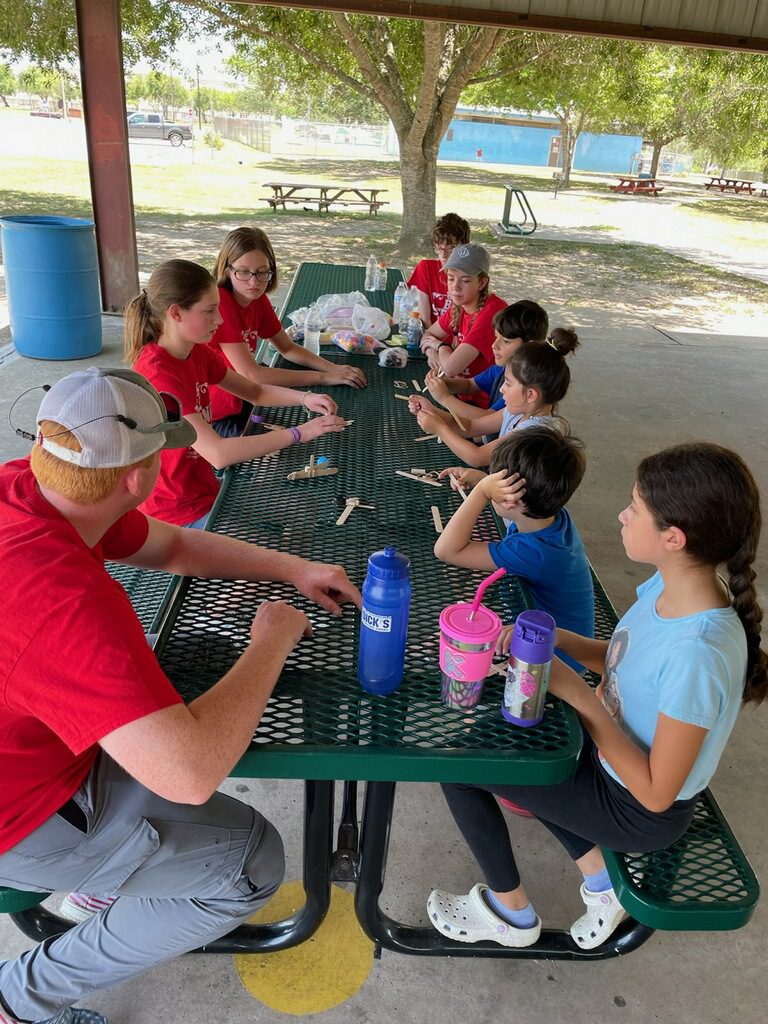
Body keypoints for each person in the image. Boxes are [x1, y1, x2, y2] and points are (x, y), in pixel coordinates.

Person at [0, 367, 362, 1024]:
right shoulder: (62, 601)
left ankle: (113, 873)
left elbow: (169, 546)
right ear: (137, 479)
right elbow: (189, 773)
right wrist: (271, 640)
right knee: (249, 862)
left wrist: (293, 569)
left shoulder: (35, 487)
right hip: (20, 812)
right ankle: (20, 997)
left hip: (24, 741)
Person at [428, 442, 767, 950]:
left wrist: (580, 698)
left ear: (673, 538)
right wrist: (561, 640)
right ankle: (601, 880)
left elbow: (656, 793)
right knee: (511, 741)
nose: (621, 515)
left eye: (635, 507)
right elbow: (626, 659)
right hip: (609, 761)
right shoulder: (676, 587)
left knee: (460, 765)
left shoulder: (698, 655)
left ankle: (508, 913)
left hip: (636, 810)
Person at [124, 259, 348, 528]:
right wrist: (299, 433)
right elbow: (218, 453)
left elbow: (255, 391)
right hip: (176, 514)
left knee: (307, 514)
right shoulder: (158, 376)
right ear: (176, 313)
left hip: (205, 490)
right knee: (289, 536)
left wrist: (305, 398)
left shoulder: (196, 351)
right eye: (210, 311)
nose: (219, 320)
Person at [434, 426, 594, 671]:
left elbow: (446, 551)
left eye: (496, 480)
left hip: (551, 662)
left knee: (445, 651)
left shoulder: (532, 552)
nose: (491, 484)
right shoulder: (551, 516)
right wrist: (483, 481)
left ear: (510, 497)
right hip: (557, 640)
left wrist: (482, 491)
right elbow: (521, 503)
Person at [208, 227, 366, 437]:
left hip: (248, 396)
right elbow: (253, 375)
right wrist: (323, 377)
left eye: (262, 272)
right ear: (227, 269)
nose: (254, 282)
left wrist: (333, 368)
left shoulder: (257, 299)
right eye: (244, 272)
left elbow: (287, 347)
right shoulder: (221, 304)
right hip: (219, 414)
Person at [410, 332, 579, 470]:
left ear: (531, 395)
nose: (501, 389)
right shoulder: (519, 411)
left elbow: (477, 457)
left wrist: (439, 428)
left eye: (508, 383)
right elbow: (471, 426)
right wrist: (432, 412)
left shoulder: (534, 433)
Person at [419, 301, 557, 431]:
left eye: (506, 341)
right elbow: (470, 385)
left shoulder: (522, 386)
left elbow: (485, 419)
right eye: (496, 337)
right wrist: (443, 383)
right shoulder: (502, 368)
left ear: (529, 346)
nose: (494, 345)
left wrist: (445, 398)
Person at [418, 243, 507, 394]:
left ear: (482, 283)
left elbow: (450, 368)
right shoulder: (461, 305)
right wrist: (431, 352)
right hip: (459, 389)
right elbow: (428, 334)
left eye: (465, 281)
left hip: (483, 400)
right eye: (451, 278)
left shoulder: (492, 313)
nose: (455, 287)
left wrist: (441, 346)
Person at [407, 212, 471, 328]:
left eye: (451, 248)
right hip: (430, 333)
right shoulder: (426, 268)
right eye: (439, 248)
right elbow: (425, 321)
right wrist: (431, 336)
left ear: (464, 248)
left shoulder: (470, 278)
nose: (443, 255)